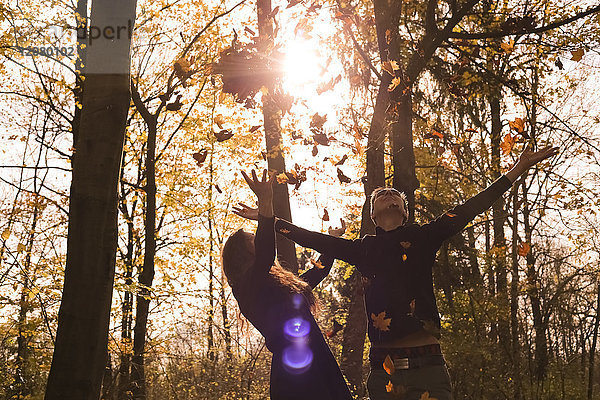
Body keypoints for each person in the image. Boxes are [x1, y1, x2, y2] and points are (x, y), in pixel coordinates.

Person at [234, 146, 559, 399]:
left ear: (405, 212)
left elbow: (470, 208)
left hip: (428, 366)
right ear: (373, 215)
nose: (389, 196)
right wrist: (271, 220)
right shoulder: (363, 249)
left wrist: (515, 171)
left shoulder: (424, 236)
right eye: (382, 196)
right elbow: (315, 239)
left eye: (396, 197)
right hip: (384, 371)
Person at [222, 169, 353, 400]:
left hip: (317, 359)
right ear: (243, 253)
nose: (258, 240)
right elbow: (265, 252)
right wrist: (265, 202)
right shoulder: (247, 289)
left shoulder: (276, 284)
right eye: (253, 239)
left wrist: (332, 243)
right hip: (295, 372)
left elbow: (313, 277)